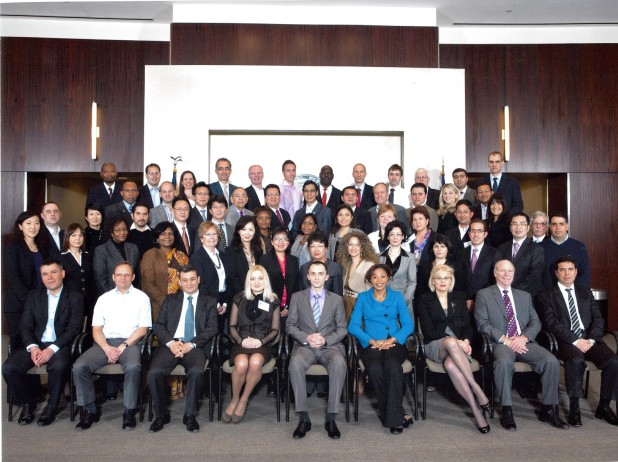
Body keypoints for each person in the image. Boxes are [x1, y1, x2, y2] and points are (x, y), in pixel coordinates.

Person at [474, 260, 569, 431]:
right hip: (501, 343)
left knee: (551, 361)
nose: (506, 274)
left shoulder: (524, 295)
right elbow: (483, 324)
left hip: (524, 342)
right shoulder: (484, 295)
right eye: (502, 271)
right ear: (495, 273)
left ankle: (548, 409)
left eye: (510, 271)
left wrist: (524, 337)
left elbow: (536, 322)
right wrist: (506, 339)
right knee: (503, 363)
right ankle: (507, 410)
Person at [537, 256, 618, 427]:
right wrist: (576, 340)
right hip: (566, 341)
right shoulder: (547, 295)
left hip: (589, 338)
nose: (567, 273)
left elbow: (598, 318)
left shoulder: (585, 292)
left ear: (576, 271)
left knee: (613, 361)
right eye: (562, 270)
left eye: (570, 269)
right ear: (556, 273)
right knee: (576, 360)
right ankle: (574, 408)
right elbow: (551, 324)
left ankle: (603, 407)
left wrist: (591, 339)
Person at [2, 258, 83, 426]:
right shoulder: (33, 296)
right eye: (45, 274)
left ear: (62, 273)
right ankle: (28, 402)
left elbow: (73, 329)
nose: (50, 277)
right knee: (9, 368)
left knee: (58, 366)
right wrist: (33, 348)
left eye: (53, 272)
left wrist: (51, 349)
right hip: (36, 344)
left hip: (60, 345)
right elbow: (25, 326)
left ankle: (51, 407)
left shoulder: (75, 297)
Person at [73, 261, 151, 431]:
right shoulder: (104, 299)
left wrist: (123, 345)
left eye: (127, 275)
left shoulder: (142, 298)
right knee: (79, 366)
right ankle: (90, 409)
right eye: (119, 275)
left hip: (130, 343)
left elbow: (143, 329)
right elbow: (97, 330)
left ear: (133, 277)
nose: (123, 278)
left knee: (132, 366)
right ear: (113, 277)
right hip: (104, 343)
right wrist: (107, 348)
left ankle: (129, 411)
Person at [417, 265, 490, 433]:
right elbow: (428, 331)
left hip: (459, 347)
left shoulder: (458, 296)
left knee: (450, 365)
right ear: (433, 281)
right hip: (435, 345)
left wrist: (466, 340)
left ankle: (476, 411)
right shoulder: (425, 299)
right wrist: (457, 341)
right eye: (439, 278)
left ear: (451, 281)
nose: (443, 281)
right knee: (450, 342)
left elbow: (467, 326)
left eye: (446, 278)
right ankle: (477, 388)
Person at [147, 264, 219, 433]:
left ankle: (190, 415)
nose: (189, 283)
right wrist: (171, 343)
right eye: (185, 280)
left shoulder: (209, 301)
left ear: (198, 280)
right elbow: (158, 325)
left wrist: (190, 344)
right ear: (179, 282)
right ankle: (161, 414)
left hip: (195, 346)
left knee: (196, 372)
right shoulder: (170, 300)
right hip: (171, 345)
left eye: (192, 279)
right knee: (154, 372)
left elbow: (212, 328)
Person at [348, 264, 414, 433]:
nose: (379, 280)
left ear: (388, 278)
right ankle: (398, 413)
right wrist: (370, 341)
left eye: (382, 276)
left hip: (394, 343)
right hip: (372, 344)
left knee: (392, 366)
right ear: (370, 279)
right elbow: (353, 326)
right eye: (375, 277)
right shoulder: (363, 297)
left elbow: (408, 324)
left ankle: (394, 419)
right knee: (375, 369)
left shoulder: (397, 297)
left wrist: (393, 339)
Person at [287, 260, 348, 439]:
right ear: (307, 277)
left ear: (327, 277)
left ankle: (331, 418)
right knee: (295, 363)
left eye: (320, 273)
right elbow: (290, 326)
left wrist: (325, 339)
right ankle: (304, 418)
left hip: (329, 347)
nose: (316, 277)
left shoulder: (336, 300)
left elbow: (342, 328)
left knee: (339, 363)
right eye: (313, 273)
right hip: (305, 347)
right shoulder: (297, 297)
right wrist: (306, 337)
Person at [222, 265, 281, 423]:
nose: (256, 282)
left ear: (265, 281)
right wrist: (242, 341)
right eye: (252, 278)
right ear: (248, 280)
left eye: (260, 278)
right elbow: (232, 326)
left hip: (263, 342)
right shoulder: (239, 298)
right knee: (241, 364)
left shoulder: (273, 300)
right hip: (242, 341)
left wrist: (260, 341)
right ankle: (234, 399)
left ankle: (243, 400)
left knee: (255, 362)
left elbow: (275, 330)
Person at [3, 211, 49, 348]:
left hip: (39, 303)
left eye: (36, 223)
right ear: (20, 226)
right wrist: (29, 300)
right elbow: (13, 277)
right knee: (19, 345)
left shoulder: (42, 247)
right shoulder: (13, 247)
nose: (33, 227)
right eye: (28, 223)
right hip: (19, 304)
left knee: (37, 343)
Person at [140, 221, 190, 323]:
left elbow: (189, 280)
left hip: (180, 305)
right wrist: (165, 301)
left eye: (170, 233)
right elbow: (147, 283)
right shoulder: (150, 255)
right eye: (163, 234)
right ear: (157, 238)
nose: (167, 236)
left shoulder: (181, 256)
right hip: (158, 305)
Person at [190, 221, 229, 332]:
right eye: (208, 234)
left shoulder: (222, 255)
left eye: (214, 234)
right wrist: (215, 305)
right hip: (207, 302)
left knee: (222, 335)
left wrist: (224, 303)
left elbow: (227, 280)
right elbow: (201, 285)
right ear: (201, 238)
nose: (212, 237)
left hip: (223, 299)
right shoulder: (197, 258)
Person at [497, 213, 544, 298]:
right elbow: (498, 270)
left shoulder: (536, 248)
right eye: (515, 224)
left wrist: (513, 290)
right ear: (510, 227)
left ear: (528, 227)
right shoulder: (502, 247)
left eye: (522, 224)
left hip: (527, 295)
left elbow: (534, 275)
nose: (518, 227)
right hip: (504, 294)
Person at [378, 220, 417, 319]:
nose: (395, 237)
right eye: (392, 234)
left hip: (403, 304)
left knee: (403, 332)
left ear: (403, 236)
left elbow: (412, 282)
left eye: (398, 234)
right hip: (383, 303)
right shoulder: (379, 257)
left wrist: (401, 303)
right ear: (387, 236)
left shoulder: (410, 257)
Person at [259, 227, 300, 320]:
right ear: (272, 242)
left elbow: (296, 286)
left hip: (289, 307)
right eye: (277, 239)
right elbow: (262, 285)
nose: (281, 242)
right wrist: (272, 307)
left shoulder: (294, 260)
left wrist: (290, 307)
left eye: (284, 239)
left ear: (288, 242)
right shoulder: (264, 259)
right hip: (270, 306)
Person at [541, 212, 591, 289]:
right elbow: (537, 275)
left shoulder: (579, 247)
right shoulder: (539, 247)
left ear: (567, 226)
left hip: (572, 295)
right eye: (554, 224)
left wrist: (576, 294)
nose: (558, 228)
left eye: (561, 224)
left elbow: (584, 275)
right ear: (549, 227)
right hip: (546, 296)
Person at [335, 232, 377, 321]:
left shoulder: (369, 265)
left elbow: (373, 293)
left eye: (357, 245)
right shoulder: (344, 264)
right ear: (346, 247)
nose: (353, 248)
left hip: (360, 306)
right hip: (345, 305)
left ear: (362, 248)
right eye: (350, 244)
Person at [93, 217, 140, 296]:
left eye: (124, 229)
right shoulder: (101, 250)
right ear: (111, 233)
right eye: (118, 230)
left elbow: (138, 274)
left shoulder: (133, 248)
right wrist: (114, 296)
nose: (122, 232)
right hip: (111, 296)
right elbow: (101, 279)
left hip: (132, 295)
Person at [460, 219, 500, 311]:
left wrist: (476, 300)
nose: (476, 234)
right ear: (469, 233)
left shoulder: (495, 253)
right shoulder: (461, 254)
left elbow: (495, 280)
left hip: (486, 301)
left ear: (485, 234)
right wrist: (465, 299)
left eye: (480, 231)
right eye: (473, 231)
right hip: (463, 302)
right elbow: (458, 278)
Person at [60, 223, 96, 321]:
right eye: (74, 235)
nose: (78, 238)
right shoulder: (61, 257)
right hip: (70, 302)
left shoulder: (88, 256)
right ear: (67, 237)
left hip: (89, 302)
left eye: (80, 235)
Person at [224, 216, 264, 301]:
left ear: (255, 232)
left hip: (257, 295)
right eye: (244, 229)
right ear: (238, 231)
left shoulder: (258, 250)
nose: (247, 233)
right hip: (239, 297)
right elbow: (231, 278)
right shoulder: (230, 250)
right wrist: (245, 295)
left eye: (251, 230)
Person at [416, 234, 463, 305]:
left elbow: (459, 288)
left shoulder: (456, 266)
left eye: (443, 246)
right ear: (432, 249)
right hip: (428, 303)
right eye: (436, 246)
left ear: (448, 249)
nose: (439, 249)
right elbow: (420, 288)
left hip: (451, 303)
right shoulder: (425, 265)